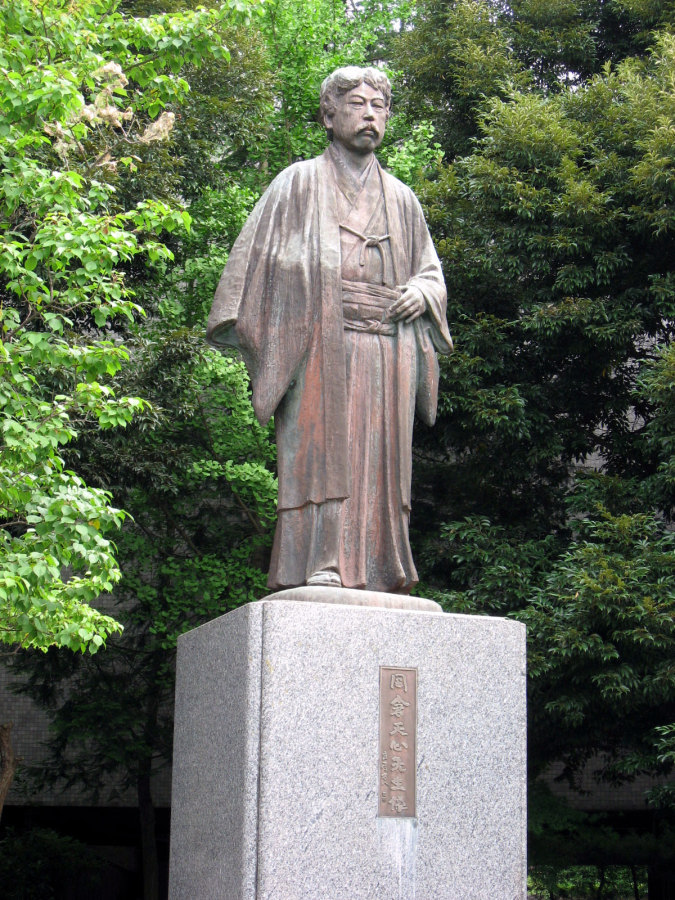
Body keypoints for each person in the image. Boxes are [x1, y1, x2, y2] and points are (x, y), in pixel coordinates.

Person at [207, 66, 452, 595]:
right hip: (319, 345)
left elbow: (430, 273)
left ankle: (381, 565)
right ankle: (320, 561)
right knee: (321, 456)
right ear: (328, 115)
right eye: (357, 104)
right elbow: (253, 269)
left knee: (381, 466)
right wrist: (313, 283)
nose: (370, 115)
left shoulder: (402, 199)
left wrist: (423, 292)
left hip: (386, 349)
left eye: (379, 107)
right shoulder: (297, 183)